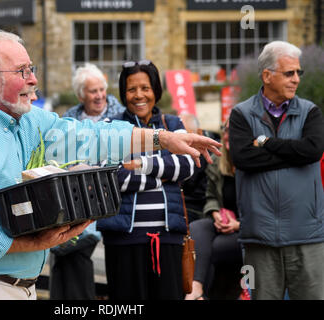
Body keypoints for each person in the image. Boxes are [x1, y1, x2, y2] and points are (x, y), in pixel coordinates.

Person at [0, 31, 221, 300]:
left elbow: (88, 136)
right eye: (22, 71)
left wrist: (161, 138)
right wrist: (35, 241)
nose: (33, 80)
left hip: (14, 286)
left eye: (32, 69)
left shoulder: (25, 120)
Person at [229, 40, 324, 300]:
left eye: (298, 73)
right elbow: (244, 158)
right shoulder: (240, 114)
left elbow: (313, 151)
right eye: (289, 73)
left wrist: (267, 143)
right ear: (267, 76)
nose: (296, 79)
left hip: (308, 235)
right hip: (259, 238)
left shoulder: (310, 112)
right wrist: (296, 153)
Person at [96, 60, 197, 300]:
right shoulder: (111, 127)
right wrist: (160, 178)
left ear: (156, 91)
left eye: (145, 88)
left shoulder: (172, 124)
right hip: (123, 241)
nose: (139, 95)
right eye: (131, 89)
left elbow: (187, 165)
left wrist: (143, 164)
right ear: (123, 93)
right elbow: (108, 176)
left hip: (169, 238)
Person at [49, 65, 117, 299]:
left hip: (105, 200)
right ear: (80, 95)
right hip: (73, 199)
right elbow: (55, 157)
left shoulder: (120, 117)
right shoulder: (69, 119)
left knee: (72, 250)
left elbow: (125, 160)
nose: (99, 96)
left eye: (101, 90)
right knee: (64, 253)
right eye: (92, 91)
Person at [185, 120, 243, 300]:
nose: (227, 135)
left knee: (214, 248)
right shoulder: (218, 161)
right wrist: (215, 212)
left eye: (234, 130)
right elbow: (210, 196)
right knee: (196, 228)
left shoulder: (255, 165)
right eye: (226, 130)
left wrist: (238, 224)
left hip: (248, 228)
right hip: (222, 223)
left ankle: (203, 294)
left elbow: (265, 209)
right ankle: (196, 289)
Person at [179, 113, 208, 223]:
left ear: (199, 133)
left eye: (187, 137)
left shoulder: (208, 157)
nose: (182, 143)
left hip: (196, 211)